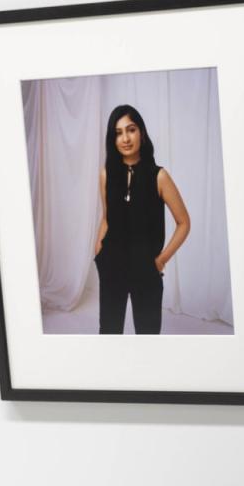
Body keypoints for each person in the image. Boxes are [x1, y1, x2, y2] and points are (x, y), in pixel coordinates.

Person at [94, 105, 190, 334]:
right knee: (109, 334)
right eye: (118, 133)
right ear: (112, 138)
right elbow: (107, 218)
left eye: (131, 129)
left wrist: (161, 260)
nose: (125, 138)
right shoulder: (106, 174)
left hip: (146, 270)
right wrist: (98, 253)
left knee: (148, 337)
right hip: (111, 266)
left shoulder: (159, 176)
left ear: (142, 133)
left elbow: (184, 222)